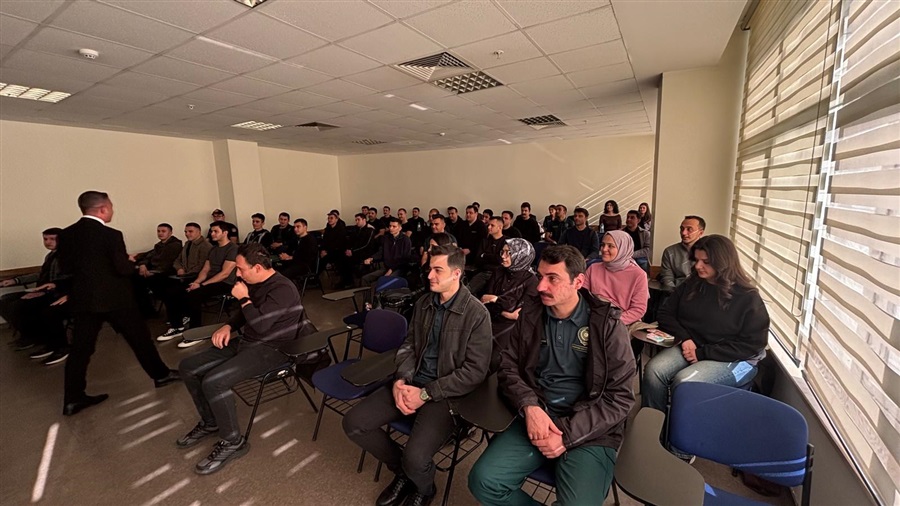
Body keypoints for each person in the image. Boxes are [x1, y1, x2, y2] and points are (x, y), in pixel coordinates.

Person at [468, 245, 635, 505]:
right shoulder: (532, 313)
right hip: (539, 414)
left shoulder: (606, 325)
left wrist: (566, 435)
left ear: (578, 282)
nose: (540, 286)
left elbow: (620, 398)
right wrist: (530, 406)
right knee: (484, 481)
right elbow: (508, 366)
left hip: (589, 427)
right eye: (540, 276)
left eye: (552, 278)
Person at [343, 244, 492, 506]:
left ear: (456, 273)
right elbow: (409, 345)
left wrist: (425, 394)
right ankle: (403, 472)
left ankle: (424, 487)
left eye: (438, 270)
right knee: (354, 423)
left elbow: (474, 372)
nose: (429, 275)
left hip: (445, 394)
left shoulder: (476, 314)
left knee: (417, 457)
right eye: (429, 269)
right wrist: (401, 379)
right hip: (411, 380)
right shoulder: (424, 303)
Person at [177, 243, 318, 475]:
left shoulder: (283, 288)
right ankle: (211, 422)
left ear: (258, 268)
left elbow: (261, 324)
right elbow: (245, 314)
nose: (238, 273)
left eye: (241, 269)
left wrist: (243, 298)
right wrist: (227, 326)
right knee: (188, 366)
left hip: (274, 350)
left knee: (214, 381)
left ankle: (233, 442)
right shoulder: (254, 282)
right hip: (249, 342)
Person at [57, 191, 179, 416]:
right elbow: (122, 269)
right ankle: (161, 375)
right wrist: (129, 261)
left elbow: (66, 269)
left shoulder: (66, 235)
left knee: (80, 350)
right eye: (111, 206)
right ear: (103, 209)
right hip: (116, 299)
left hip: (84, 300)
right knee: (140, 339)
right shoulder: (111, 235)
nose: (112, 210)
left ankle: (72, 398)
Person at [642, 235, 769, 414]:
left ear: (723, 263)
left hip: (738, 360)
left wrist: (702, 354)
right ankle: (653, 423)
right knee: (654, 371)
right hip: (693, 347)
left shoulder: (748, 298)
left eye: (706, 262)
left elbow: (752, 345)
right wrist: (685, 339)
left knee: (685, 382)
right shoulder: (692, 284)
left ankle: (679, 430)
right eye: (696, 260)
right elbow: (665, 313)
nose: (698, 266)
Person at [157, 222, 237, 342]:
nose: (212, 234)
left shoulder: (233, 249)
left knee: (194, 295)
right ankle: (177, 326)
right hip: (209, 281)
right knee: (171, 292)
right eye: (211, 231)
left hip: (225, 283)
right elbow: (205, 269)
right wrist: (197, 282)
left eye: (215, 231)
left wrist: (201, 285)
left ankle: (195, 331)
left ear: (225, 233)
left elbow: (224, 274)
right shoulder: (214, 249)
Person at [0, 227, 69, 363]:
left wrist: (43, 292)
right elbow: (41, 275)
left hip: (57, 293)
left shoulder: (67, 257)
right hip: (44, 290)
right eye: (45, 239)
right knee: (5, 300)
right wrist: (15, 280)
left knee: (21, 305)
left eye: (52, 239)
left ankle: (54, 344)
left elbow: (68, 280)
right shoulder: (50, 256)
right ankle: (31, 336)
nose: (48, 242)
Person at [480, 238, 537, 370]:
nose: (503, 256)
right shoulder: (499, 272)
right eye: (503, 252)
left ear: (521, 256)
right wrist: (504, 308)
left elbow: (519, 314)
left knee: (495, 359)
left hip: (512, 327)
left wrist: (496, 299)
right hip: (490, 319)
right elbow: (485, 300)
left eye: (509, 253)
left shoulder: (531, 280)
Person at [584, 231, 648, 327]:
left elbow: (638, 310)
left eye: (610, 246)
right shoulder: (593, 268)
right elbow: (582, 298)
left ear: (623, 248)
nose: (604, 249)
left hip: (621, 323)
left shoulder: (638, 275)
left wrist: (611, 322)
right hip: (593, 318)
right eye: (603, 245)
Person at [131, 223, 183, 316]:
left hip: (166, 273)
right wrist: (143, 264)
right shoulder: (159, 245)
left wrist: (152, 272)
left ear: (170, 233)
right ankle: (146, 310)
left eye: (163, 231)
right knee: (134, 277)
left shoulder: (174, 245)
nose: (160, 233)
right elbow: (149, 256)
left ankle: (148, 311)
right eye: (158, 231)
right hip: (155, 270)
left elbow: (166, 264)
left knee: (138, 280)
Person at [361, 217, 413, 286]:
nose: (391, 228)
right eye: (390, 226)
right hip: (387, 267)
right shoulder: (386, 238)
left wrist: (391, 269)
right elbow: (381, 252)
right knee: (365, 279)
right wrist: (371, 258)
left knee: (385, 281)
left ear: (400, 228)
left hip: (399, 268)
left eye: (394, 226)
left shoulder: (405, 240)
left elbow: (405, 258)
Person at [659, 215, 705, 291]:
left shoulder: (708, 252)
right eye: (682, 229)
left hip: (701, 292)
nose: (683, 233)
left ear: (700, 233)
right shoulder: (670, 251)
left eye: (689, 229)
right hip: (676, 292)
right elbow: (667, 279)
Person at [466, 215, 505, 297]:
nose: (489, 227)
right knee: (467, 291)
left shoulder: (506, 242)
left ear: (500, 227)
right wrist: (494, 257)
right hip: (484, 272)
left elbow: (501, 259)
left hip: (499, 274)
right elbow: (478, 259)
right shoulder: (485, 241)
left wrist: (485, 255)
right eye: (488, 225)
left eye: (492, 225)